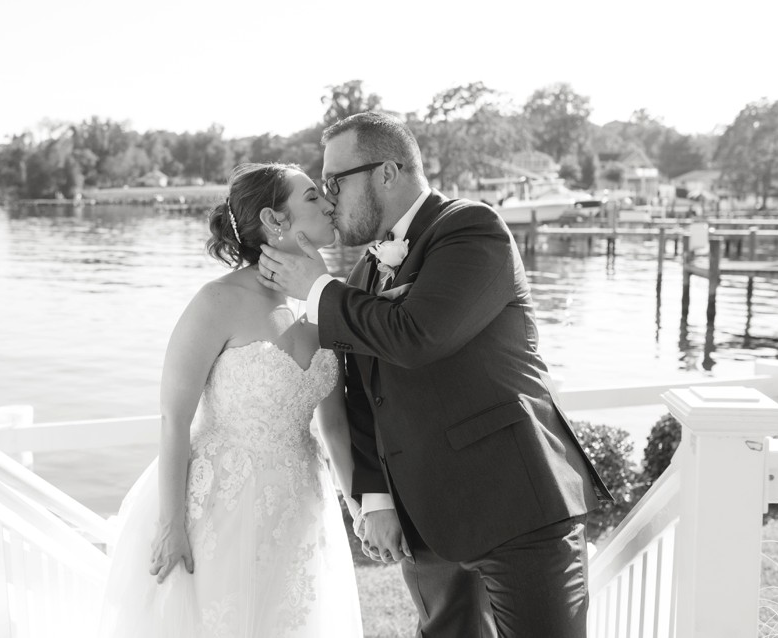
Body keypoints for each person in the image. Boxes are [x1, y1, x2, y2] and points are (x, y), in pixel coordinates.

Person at [258, 112, 612, 638]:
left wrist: (318, 289)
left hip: (516, 506)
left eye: (336, 181)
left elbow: (419, 336)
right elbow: (361, 396)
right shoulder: (365, 272)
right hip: (425, 523)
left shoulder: (471, 229)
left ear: (387, 172)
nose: (329, 198)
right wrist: (375, 499)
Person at [99, 162, 363, 637]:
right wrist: (172, 522)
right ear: (274, 220)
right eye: (311, 197)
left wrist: (361, 507)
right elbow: (173, 418)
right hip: (220, 503)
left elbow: (335, 424)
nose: (328, 202)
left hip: (302, 499)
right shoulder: (216, 302)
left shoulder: (330, 302)